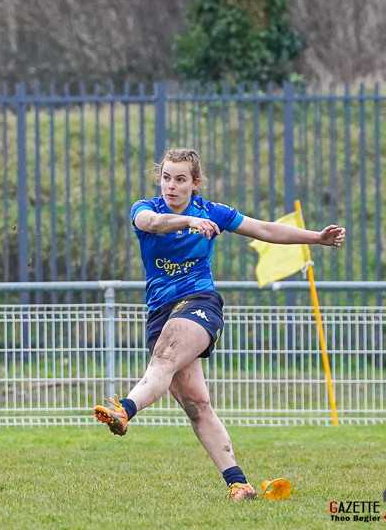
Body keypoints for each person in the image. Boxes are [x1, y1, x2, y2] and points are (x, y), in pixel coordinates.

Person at [93, 148, 345, 500]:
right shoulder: (145, 208)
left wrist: (315, 237)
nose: (172, 186)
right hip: (159, 312)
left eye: (181, 179)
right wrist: (188, 222)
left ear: (195, 184)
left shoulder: (212, 212)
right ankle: (239, 484)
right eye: (166, 177)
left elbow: (263, 229)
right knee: (197, 404)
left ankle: (124, 409)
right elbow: (151, 224)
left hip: (199, 303)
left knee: (163, 359)